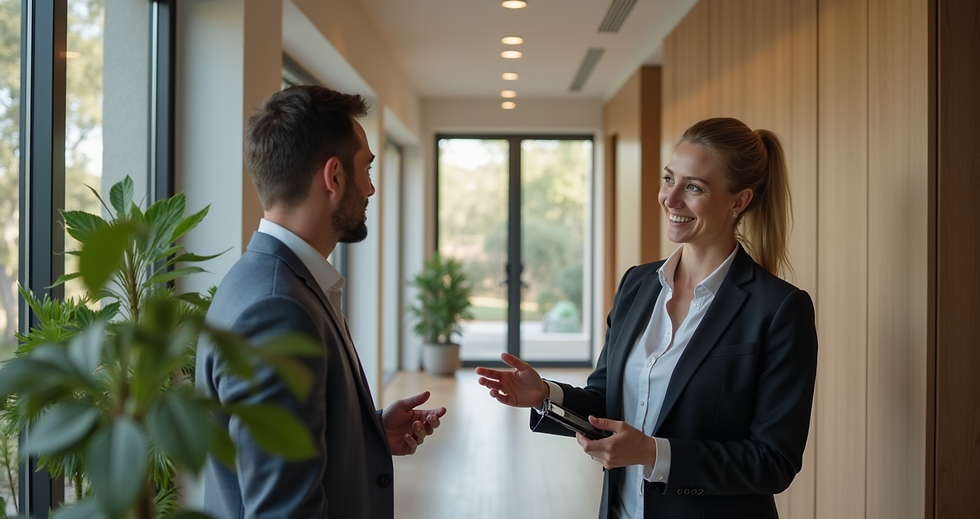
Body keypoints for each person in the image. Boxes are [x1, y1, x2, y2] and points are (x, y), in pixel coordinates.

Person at [476, 117, 817, 519]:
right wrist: (547, 396)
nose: (669, 199)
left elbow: (772, 462)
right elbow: (609, 400)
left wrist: (655, 453)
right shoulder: (637, 285)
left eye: (694, 187)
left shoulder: (779, 309)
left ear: (738, 201)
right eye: (669, 179)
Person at [196, 85, 447, 519]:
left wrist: (365, 433)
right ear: (334, 177)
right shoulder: (277, 310)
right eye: (366, 168)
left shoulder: (264, 279)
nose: (370, 188)